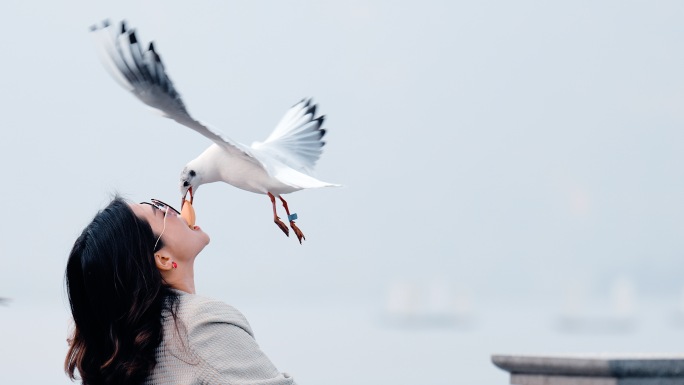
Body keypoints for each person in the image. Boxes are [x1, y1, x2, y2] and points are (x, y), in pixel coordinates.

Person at [64, 197, 295, 385]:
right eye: (160, 211)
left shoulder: (124, 353)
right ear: (163, 258)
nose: (174, 209)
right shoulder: (202, 323)